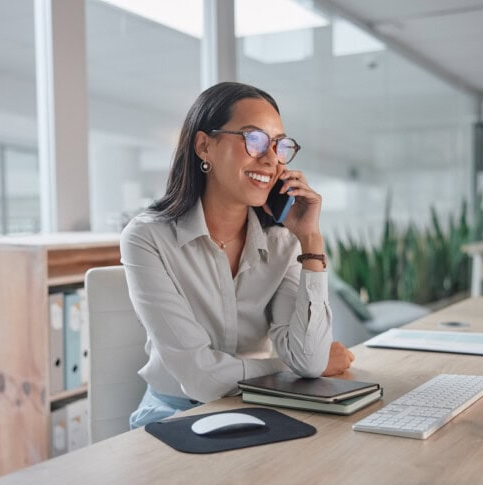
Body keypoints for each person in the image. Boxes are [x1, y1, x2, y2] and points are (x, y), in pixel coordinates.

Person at [122, 82, 355, 429]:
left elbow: (308, 358)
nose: (271, 159)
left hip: (260, 407)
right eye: (255, 139)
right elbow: (202, 379)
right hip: (173, 414)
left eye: (279, 145)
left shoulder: (283, 242)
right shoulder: (147, 237)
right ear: (204, 146)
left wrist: (310, 239)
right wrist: (285, 368)